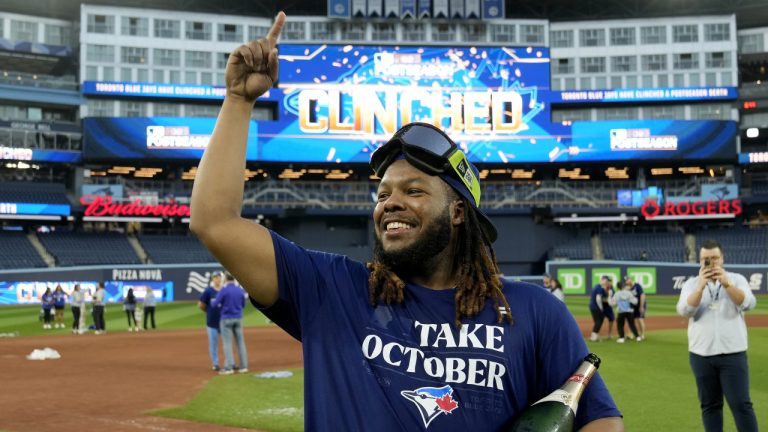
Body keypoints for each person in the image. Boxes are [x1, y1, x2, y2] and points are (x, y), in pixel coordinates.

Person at [189, 12, 622, 431]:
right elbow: (215, 222)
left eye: (413, 191)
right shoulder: (331, 291)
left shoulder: (535, 312)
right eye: (383, 194)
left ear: (457, 212)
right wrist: (238, 100)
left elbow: (599, 418)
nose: (390, 203)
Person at [676, 240, 758, 432]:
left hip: (733, 353)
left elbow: (748, 303)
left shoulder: (736, 279)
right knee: (710, 406)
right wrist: (700, 288)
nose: (711, 262)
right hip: (701, 355)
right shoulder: (692, 284)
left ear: (722, 259)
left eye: (714, 258)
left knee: (741, 405)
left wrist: (726, 283)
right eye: (706, 259)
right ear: (700, 260)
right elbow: (685, 311)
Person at [213, 272, 248, 375]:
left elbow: (215, 304)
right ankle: (244, 366)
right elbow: (243, 304)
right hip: (238, 318)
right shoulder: (239, 290)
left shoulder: (224, 290)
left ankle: (229, 368)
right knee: (240, 343)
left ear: (225, 278)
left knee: (227, 343)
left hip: (226, 319)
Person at [199, 271, 224, 371]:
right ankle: (215, 363)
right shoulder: (208, 291)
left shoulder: (224, 290)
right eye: (215, 277)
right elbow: (201, 305)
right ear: (212, 279)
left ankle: (229, 362)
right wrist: (208, 311)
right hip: (212, 322)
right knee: (213, 344)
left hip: (224, 322)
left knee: (227, 343)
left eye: (218, 277)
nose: (217, 279)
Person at [588, 276, 611, 342]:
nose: (607, 282)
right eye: (606, 280)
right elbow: (598, 299)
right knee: (599, 321)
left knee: (598, 321)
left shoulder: (597, 286)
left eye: (608, 281)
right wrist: (601, 308)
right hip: (596, 307)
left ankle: (596, 335)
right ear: (602, 280)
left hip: (593, 306)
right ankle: (594, 336)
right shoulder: (599, 287)